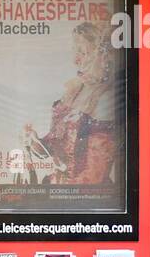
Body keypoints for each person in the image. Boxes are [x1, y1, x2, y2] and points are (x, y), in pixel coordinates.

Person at [22, 21, 121, 187]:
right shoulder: (74, 90)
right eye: (74, 51)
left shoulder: (105, 97)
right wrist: (33, 141)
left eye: (82, 52)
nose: (75, 60)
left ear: (102, 55)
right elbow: (54, 144)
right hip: (59, 189)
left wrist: (61, 192)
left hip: (85, 196)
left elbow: (95, 173)